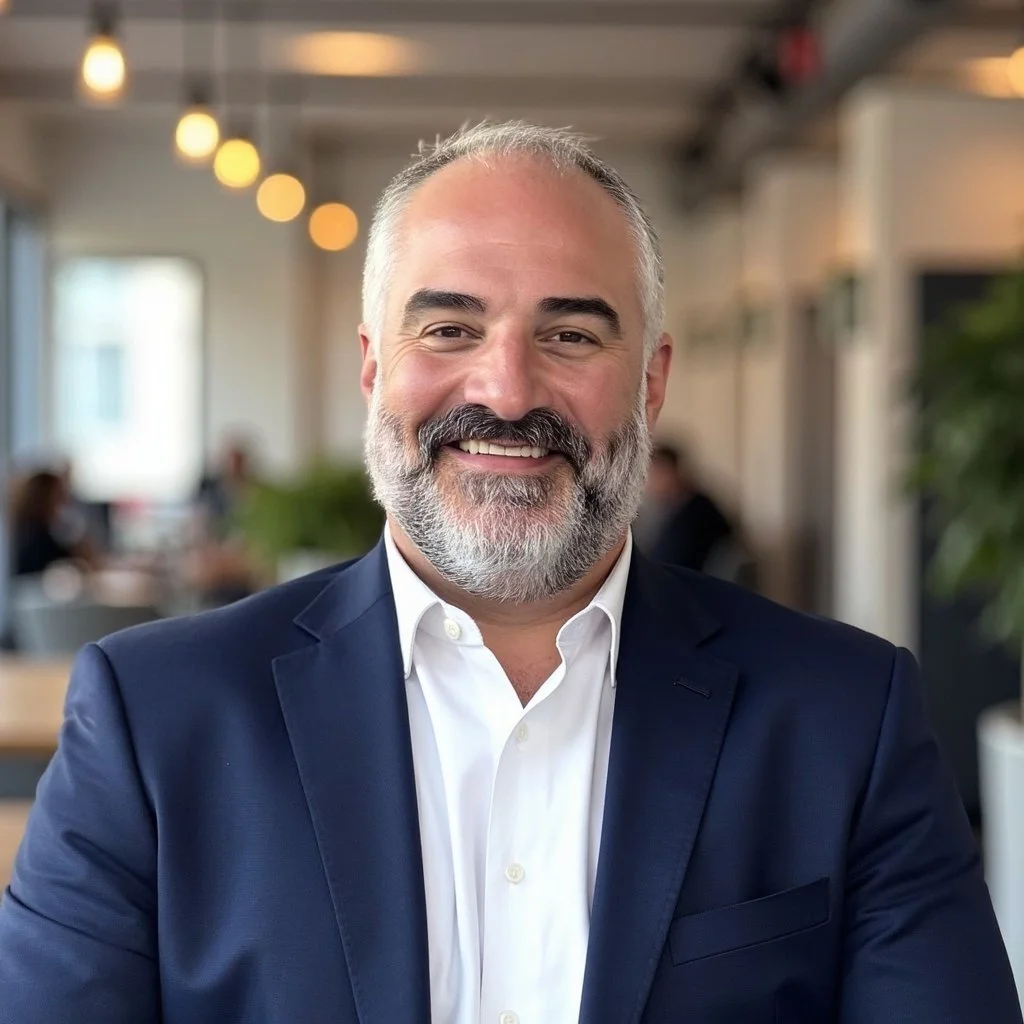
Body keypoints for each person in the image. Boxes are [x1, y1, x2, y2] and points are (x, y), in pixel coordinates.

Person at [0, 122, 1019, 1024]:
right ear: (371, 367)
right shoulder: (154, 718)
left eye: (569, 334)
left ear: (652, 380)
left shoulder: (845, 717)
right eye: (449, 328)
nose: (506, 387)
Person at [635, 441, 735, 572]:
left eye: (653, 475)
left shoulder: (698, 512)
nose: (648, 484)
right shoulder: (674, 507)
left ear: (670, 473)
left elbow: (671, 558)